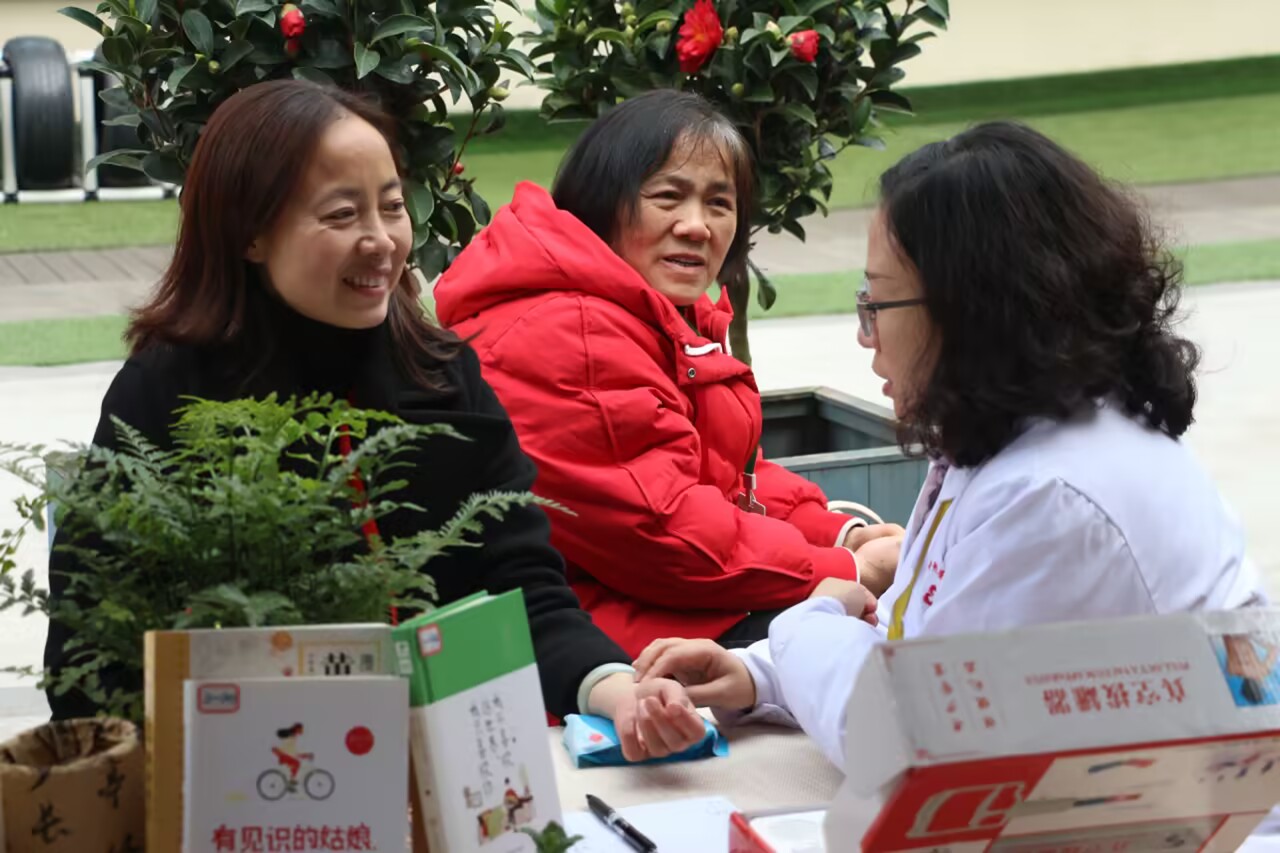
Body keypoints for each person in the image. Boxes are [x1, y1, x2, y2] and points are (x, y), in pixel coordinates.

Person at [42, 80, 705, 761]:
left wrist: (619, 691)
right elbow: (90, 655)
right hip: (239, 776)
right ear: (249, 232)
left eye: (391, 206)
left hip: (446, 772)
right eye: (341, 214)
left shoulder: (442, 378)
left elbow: (526, 592)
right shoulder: (167, 393)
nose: (382, 241)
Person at [632, 121, 1265, 769]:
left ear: (970, 311)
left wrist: (806, 621)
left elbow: (913, 737)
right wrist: (758, 672)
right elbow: (914, 631)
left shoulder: (1054, 494)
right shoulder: (1016, 437)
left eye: (877, 304)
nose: (865, 336)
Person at [434, 90, 901, 659]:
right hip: (579, 644)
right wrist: (847, 568)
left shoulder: (652, 310)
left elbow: (723, 474)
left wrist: (837, 531)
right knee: (867, 641)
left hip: (644, 605)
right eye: (668, 197)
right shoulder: (573, 334)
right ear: (603, 203)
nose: (697, 226)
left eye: (719, 203)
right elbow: (666, 533)